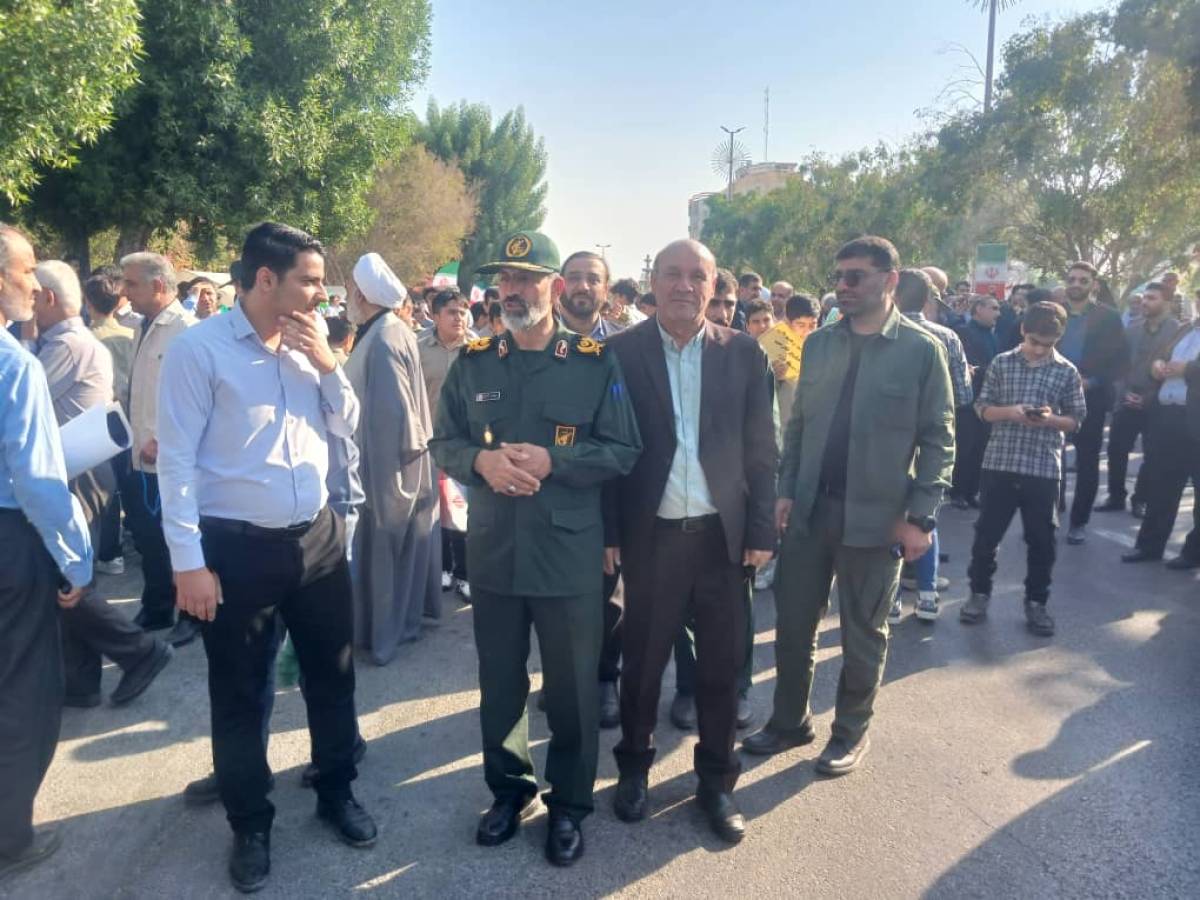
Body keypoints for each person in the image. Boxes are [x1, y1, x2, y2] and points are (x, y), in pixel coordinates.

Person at [157, 223, 374, 892]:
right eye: (310, 281)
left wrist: (329, 367)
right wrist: (187, 562)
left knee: (332, 677)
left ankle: (336, 790)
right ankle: (250, 822)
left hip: (317, 540)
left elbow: (347, 425)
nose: (321, 294)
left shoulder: (313, 345)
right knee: (240, 691)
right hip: (235, 549)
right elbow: (176, 462)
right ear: (264, 279)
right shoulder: (199, 351)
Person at [430, 230, 641, 867]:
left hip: (566, 554)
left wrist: (556, 460)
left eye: (525, 278)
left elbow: (623, 449)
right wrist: (481, 463)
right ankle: (509, 790)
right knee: (500, 683)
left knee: (573, 690)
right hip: (495, 550)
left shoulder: (594, 362)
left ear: (554, 285)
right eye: (505, 279)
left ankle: (569, 804)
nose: (513, 290)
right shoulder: (475, 361)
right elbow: (444, 443)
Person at [742, 236, 953, 776]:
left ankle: (851, 732)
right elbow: (799, 425)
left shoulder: (921, 350)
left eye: (855, 276)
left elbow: (939, 438)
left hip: (878, 518)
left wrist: (920, 516)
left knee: (863, 633)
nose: (843, 286)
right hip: (811, 512)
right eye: (838, 276)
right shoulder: (819, 344)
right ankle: (789, 721)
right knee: (793, 627)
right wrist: (786, 489)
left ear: (890, 279)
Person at [605, 239, 776, 845]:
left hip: (721, 539)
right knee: (642, 665)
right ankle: (633, 770)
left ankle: (717, 783)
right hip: (650, 537)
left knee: (722, 669)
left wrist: (761, 530)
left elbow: (763, 448)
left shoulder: (744, 353)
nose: (683, 285)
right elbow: (606, 451)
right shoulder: (619, 353)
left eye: (695, 276)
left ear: (712, 286)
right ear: (652, 283)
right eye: (671, 274)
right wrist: (609, 533)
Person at [33, 261, 173, 707]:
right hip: (74, 472)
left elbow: (20, 401)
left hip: (77, 473)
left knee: (66, 577)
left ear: (47, 298)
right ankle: (82, 682)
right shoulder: (62, 342)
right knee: (65, 576)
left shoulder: (67, 345)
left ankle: (138, 650)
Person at [0, 226, 92, 882]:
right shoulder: (15, 366)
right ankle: (10, 836)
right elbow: (38, 482)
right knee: (23, 691)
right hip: (11, 543)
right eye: (27, 269)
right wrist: (76, 559)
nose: (35, 284)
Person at [961, 302, 1087, 636]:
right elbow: (982, 408)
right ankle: (978, 594)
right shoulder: (1002, 363)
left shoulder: (1067, 371)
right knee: (986, 536)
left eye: (1048, 344)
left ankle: (1036, 602)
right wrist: (1011, 412)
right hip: (999, 462)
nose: (1040, 350)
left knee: (1042, 541)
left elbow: (1075, 420)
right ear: (1022, 331)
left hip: (1042, 465)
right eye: (1034, 342)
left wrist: (1050, 420)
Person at [341, 253, 442, 663]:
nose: (349, 295)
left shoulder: (384, 337)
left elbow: (391, 417)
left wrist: (377, 477)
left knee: (384, 548)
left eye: (353, 288)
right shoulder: (384, 330)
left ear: (362, 295)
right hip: (382, 458)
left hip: (384, 465)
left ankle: (385, 630)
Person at [122, 252, 197, 646]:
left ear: (156, 285)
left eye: (131, 283)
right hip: (139, 453)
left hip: (170, 457)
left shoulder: (185, 329)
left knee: (179, 537)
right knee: (149, 537)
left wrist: (164, 440)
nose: (124, 291)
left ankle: (192, 613)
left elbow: (194, 399)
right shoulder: (142, 325)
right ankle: (156, 606)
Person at [891, 268, 972, 624]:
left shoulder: (880, 333)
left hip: (890, 444)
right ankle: (927, 595)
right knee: (925, 515)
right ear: (928, 299)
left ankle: (891, 598)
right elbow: (964, 395)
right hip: (933, 442)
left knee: (890, 516)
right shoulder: (947, 337)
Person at [1122, 296, 1200, 569]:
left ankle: (1194, 553)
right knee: (1161, 487)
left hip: (1196, 422)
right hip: (1168, 418)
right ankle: (1149, 545)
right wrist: (1157, 366)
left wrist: (1188, 369)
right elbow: (1161, 357)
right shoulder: (1186, 328)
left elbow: (1187, 368)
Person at [1055, 262, 1129, 546]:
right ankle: (1049, 512)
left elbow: (1121, 361)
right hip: (1052, 395)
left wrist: (1094, 381)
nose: (1076, 284)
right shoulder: (1054, 312)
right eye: (1072, 279)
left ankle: (1078, 522)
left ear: (1094, 285)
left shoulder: (1108, 318)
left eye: (1083, 280)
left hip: (1091, 398)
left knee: (1087, 461)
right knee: (1050, 459)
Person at [1096, 282, 1179, 517]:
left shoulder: (1177, 332)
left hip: (1158, 402)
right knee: (1116, 449)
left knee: (1153, 455)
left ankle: (1141, 498)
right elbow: (1120, 366)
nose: (1145, 302)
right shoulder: (1132, 330)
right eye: (1144, 297)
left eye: (1152, 298)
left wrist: (1149, 397)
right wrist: (1124, 393)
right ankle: (1115, 496)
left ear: (1167, 303)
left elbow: (1174, 371)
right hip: (1127, 398)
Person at [418, 287, 476, 602]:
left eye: (463, 311)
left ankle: (465, 574)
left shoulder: (480, 350)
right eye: (452, 312)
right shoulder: (418, 349)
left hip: (466, 445)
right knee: (436, 509)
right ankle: (442, 567)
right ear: (435, 315)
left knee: (463, 510)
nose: (459, 318)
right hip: (428, 443)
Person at [83, 270, 136, 575]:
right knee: (128, 483)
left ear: (87, 302)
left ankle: (107, 551)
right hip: (131, 417)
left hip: (99, 421)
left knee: (104, 488)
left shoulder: (85, 340)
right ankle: (128, 542)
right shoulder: (132, 335)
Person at [951, 294, 1002, 508]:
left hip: (987, 401)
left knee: (981, 447)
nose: (998, 313)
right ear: (978, 309)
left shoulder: (993, 336)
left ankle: (972, 491)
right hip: (967, 401)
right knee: (965, 447)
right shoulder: (963, 332)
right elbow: (966, 365)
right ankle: (957, 492)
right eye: (993, 308)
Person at [558, 251, 624, 340]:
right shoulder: (539, 339)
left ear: (606, 290)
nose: (583, 287)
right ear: (559, 285)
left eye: (593, 280)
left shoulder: (624, 341)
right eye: (574, 278)